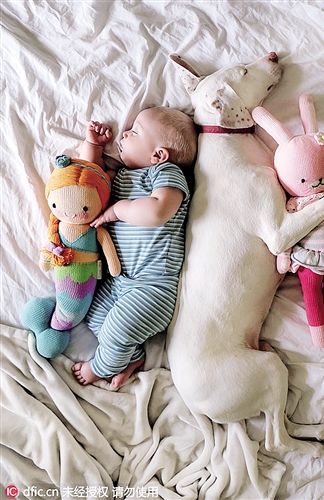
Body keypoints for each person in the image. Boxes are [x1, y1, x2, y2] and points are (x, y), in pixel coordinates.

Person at [72, 106, 197, 388]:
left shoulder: (166, 173)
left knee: (116, 332)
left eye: (135, 131)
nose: (125, 133)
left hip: (152, 288)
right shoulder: (122, 176)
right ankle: (132, 357)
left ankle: (100, 367)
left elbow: (158, 211)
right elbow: (88, 181)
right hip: (119, 283)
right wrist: (93, 146)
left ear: (158, 155)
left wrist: (118, 210)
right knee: (95, 317)